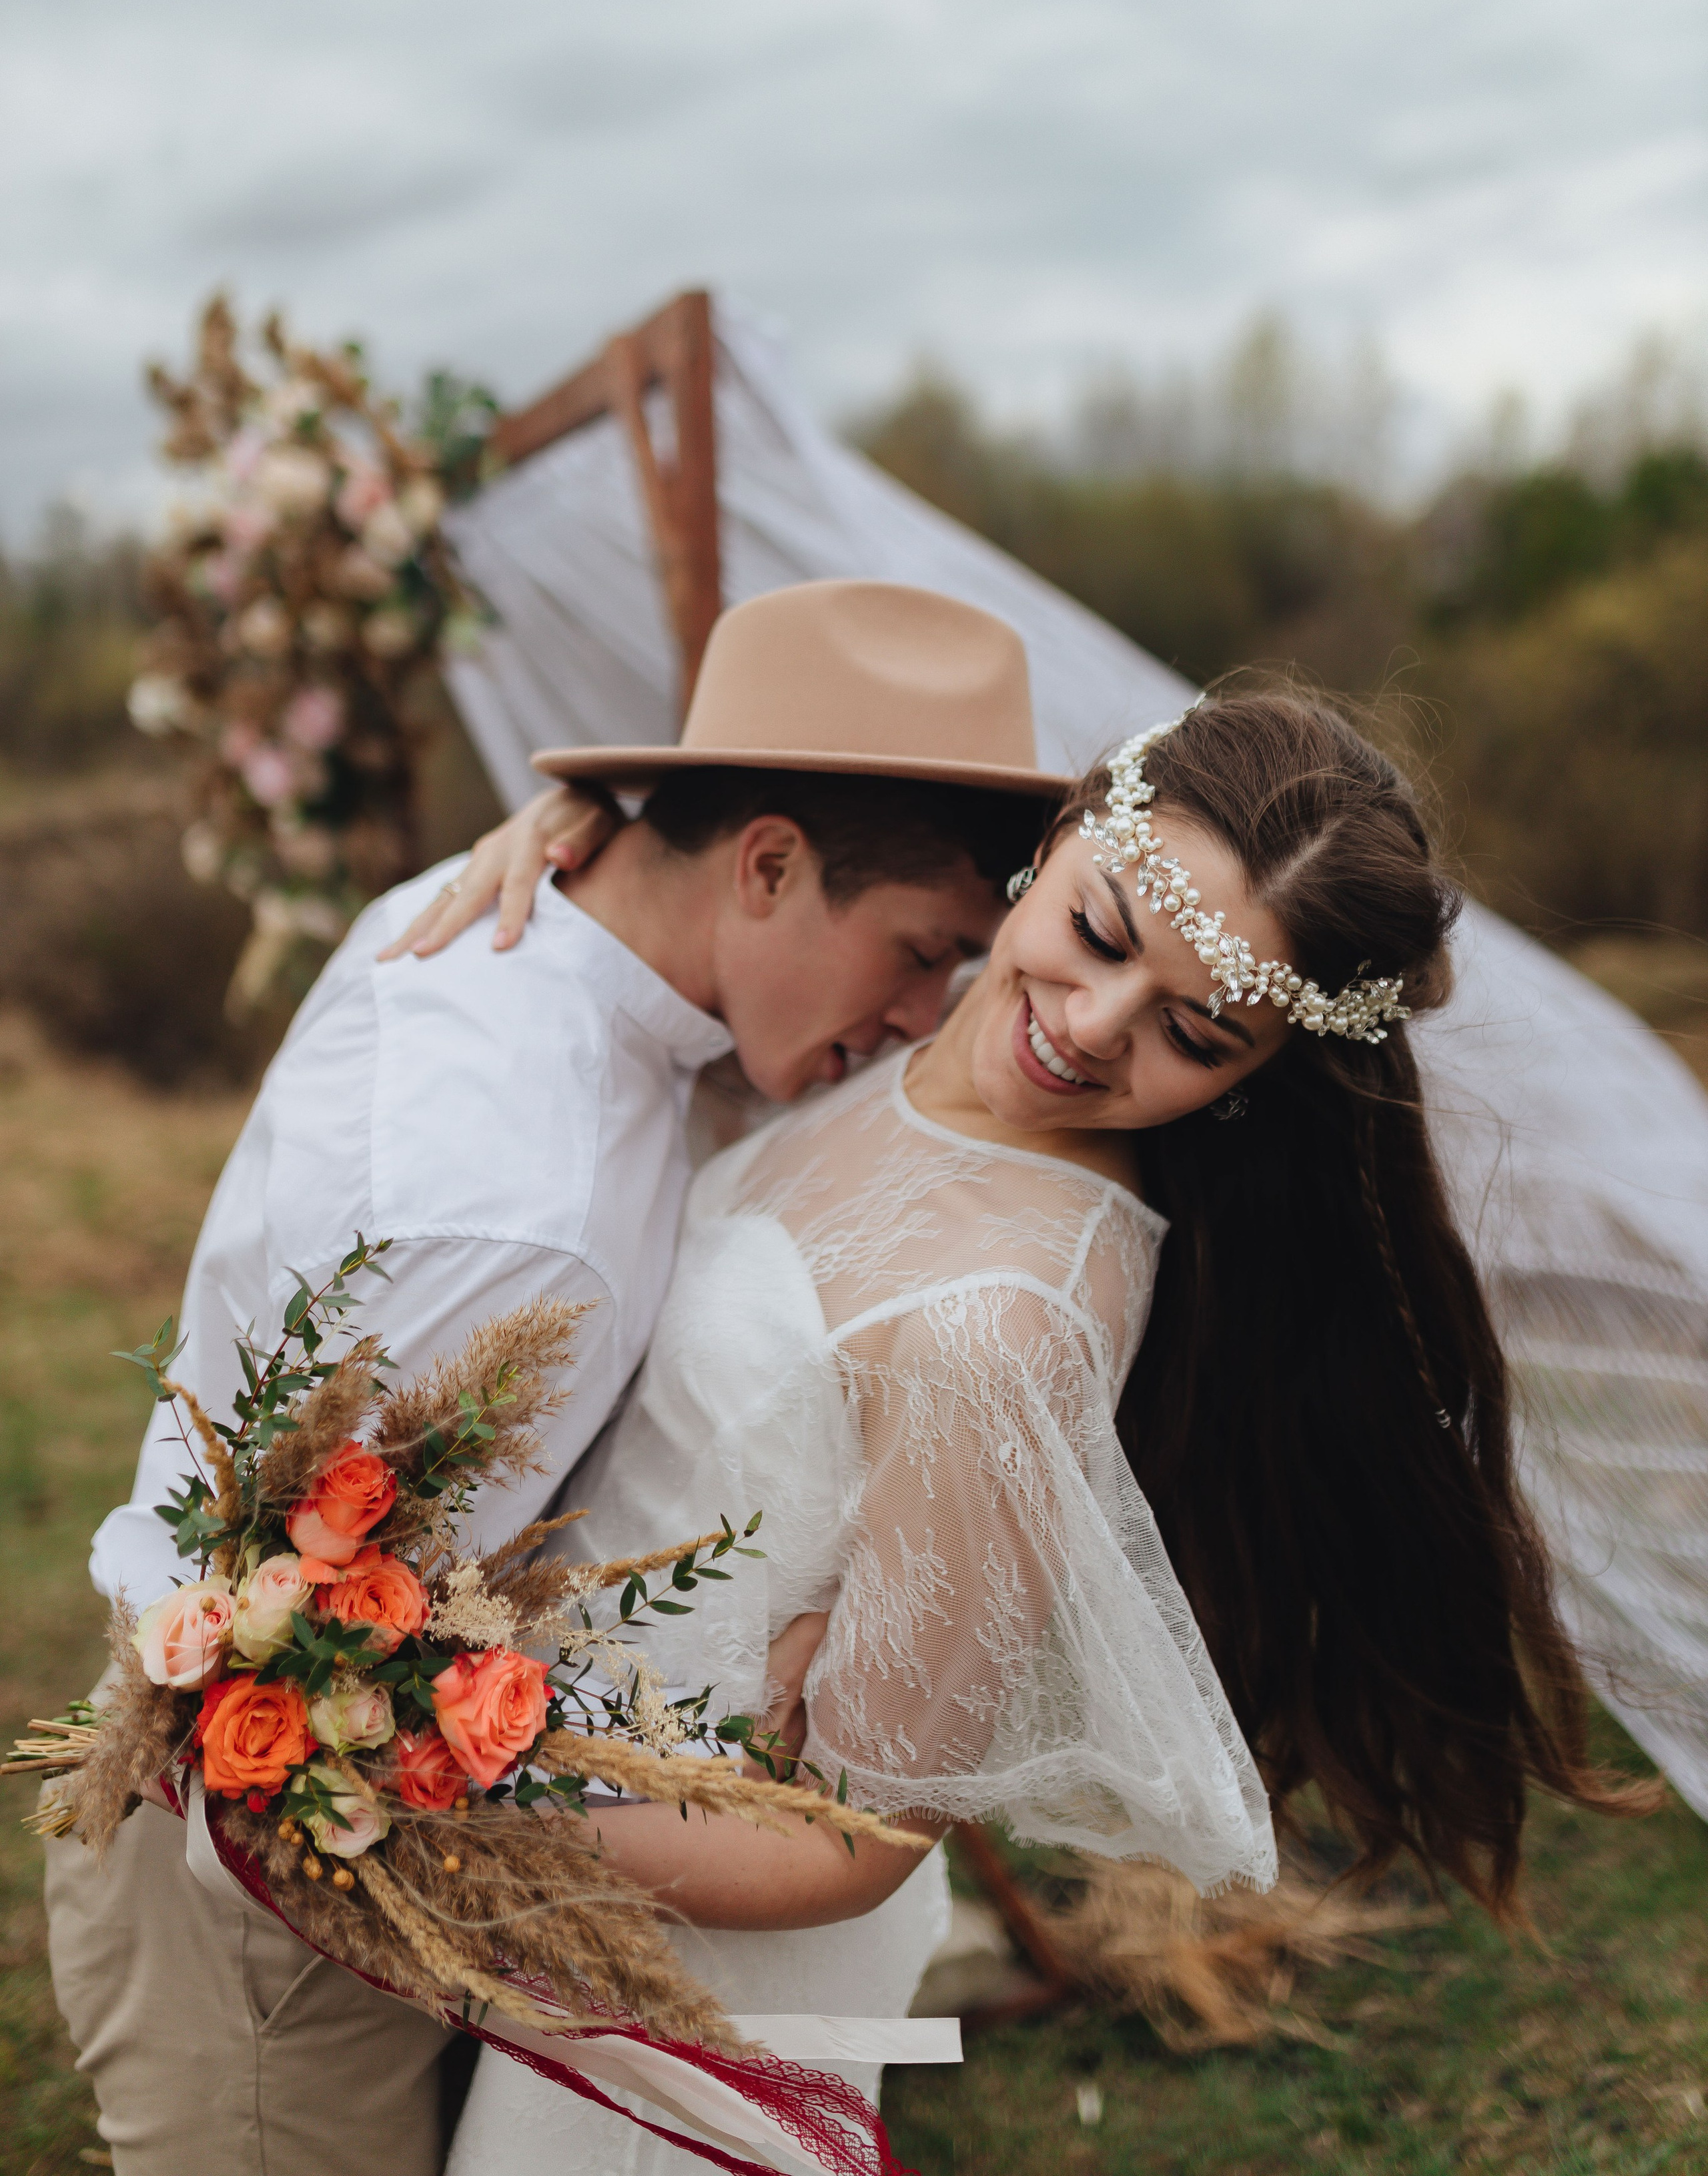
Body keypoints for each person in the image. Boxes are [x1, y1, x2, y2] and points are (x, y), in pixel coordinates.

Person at [426, 689, 1649, 2176]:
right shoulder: (909, 1008)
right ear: (1062, 835)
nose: (1084, 1028)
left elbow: (852, 1848)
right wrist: (579, 845)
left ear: (1255, 1079)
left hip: (688, 1974)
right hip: (551, 1816)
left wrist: (452, 1819)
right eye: (1097, 934)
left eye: (1193, 1035)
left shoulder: (1000, 1327)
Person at [45, 578, 1063, 2176]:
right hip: (256, 1894)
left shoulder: (496, 908)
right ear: (768, 862)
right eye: (920, 954)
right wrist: (792, 1804)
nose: (926, 1017)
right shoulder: (526, 1216)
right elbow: (319, 1681)